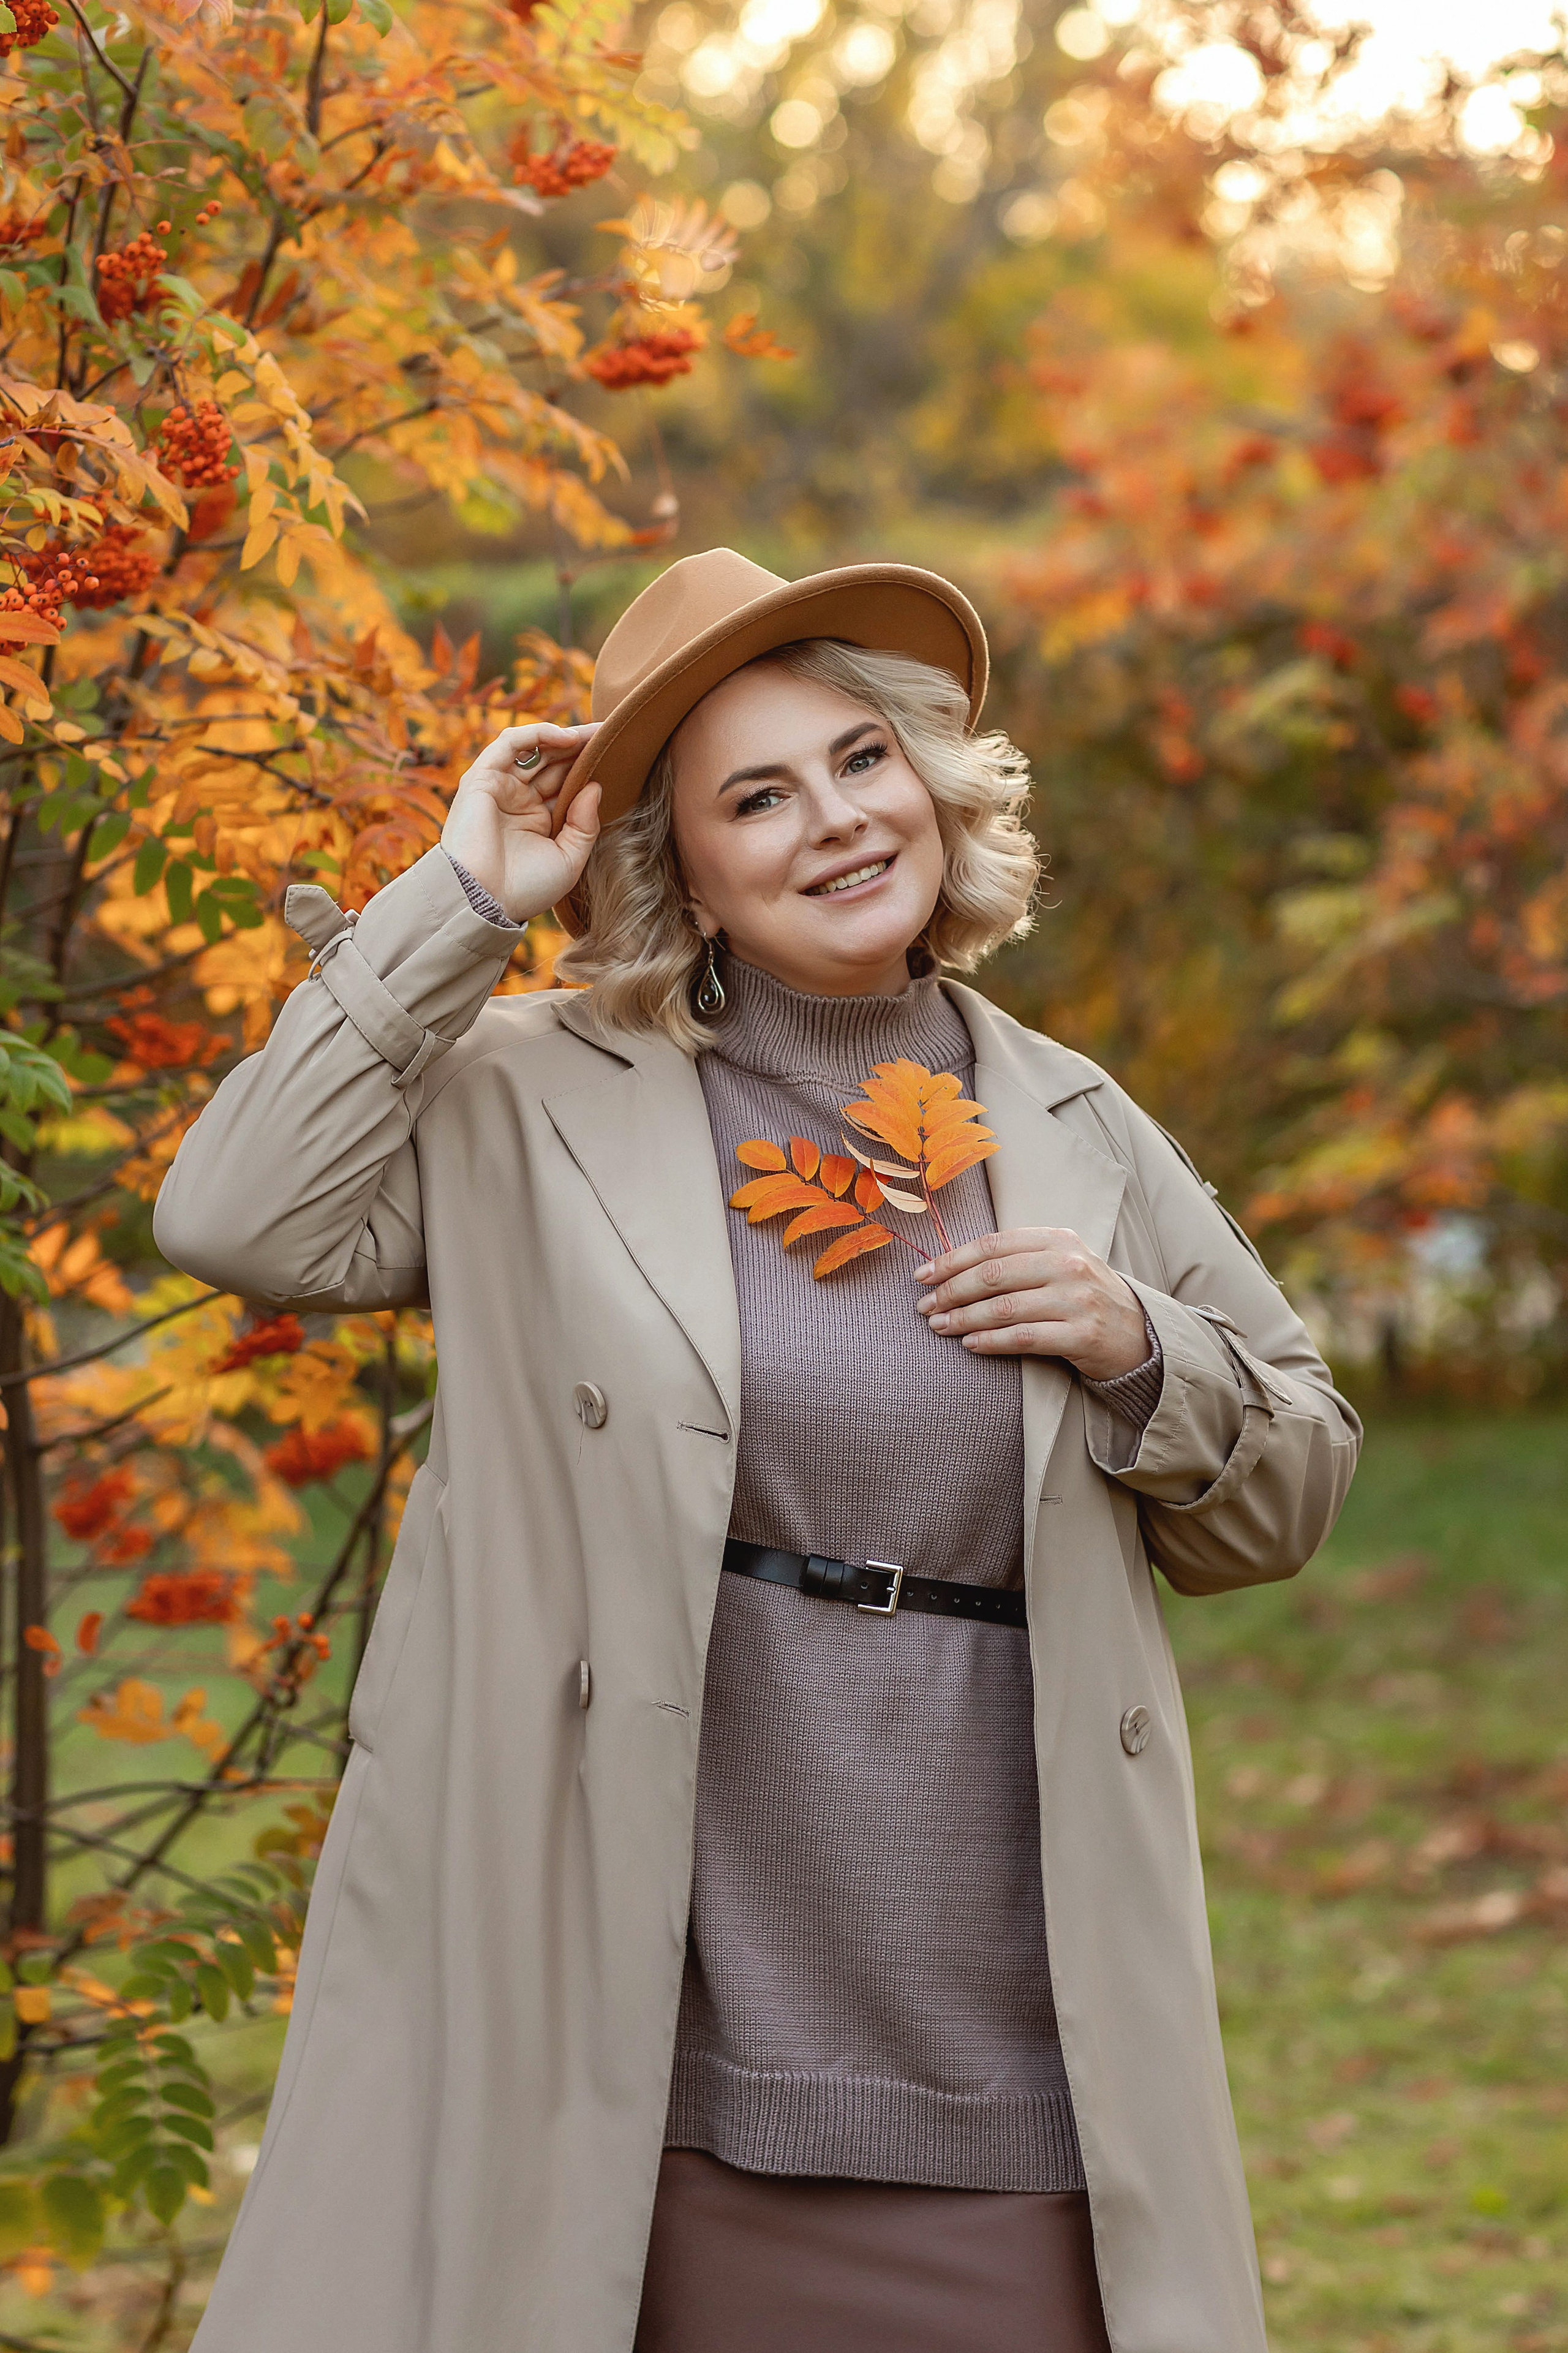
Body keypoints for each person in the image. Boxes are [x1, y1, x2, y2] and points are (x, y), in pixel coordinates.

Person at [155, 548, 1361, 2353]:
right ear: (685, 870)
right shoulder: (530, 1098)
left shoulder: (1075, 1124)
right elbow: (240, 1217)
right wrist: (464, 894)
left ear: (934, 783)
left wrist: (1138, 1345)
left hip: (1008, 2039)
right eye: (758, 796)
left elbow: (1295, 1479)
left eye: (863, 761)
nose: (838, 822)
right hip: (644, 2041)